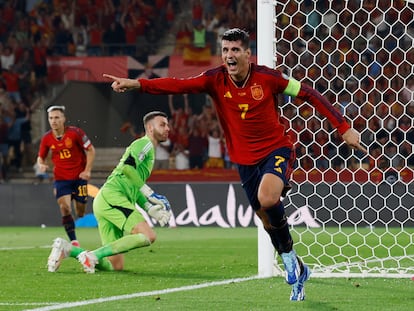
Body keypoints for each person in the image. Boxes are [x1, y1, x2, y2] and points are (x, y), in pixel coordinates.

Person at [102, 28, 367, 301]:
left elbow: (309, 93)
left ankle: (287, 257)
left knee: (268, 197)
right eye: (225, 50)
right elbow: (176, 84)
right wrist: (137, 83)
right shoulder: (214, 80)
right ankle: (298, 267)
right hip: (244, 160)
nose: (229, 55)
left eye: (235, 50)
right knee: (265, 218)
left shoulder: (267, 78)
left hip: (276, 148)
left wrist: (343, 126)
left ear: (247, 54)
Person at [46, 111, 172, 274]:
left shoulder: (148, 150)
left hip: (106, 200)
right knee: (149, 236)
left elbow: (134, 183)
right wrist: (151, 194)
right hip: (114, 197)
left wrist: (148, 207)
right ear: (149, 127)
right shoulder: (145, 144)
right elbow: (127, 168)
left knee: (115, 265)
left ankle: (68, 249)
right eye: (162, 124)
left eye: (167, 125)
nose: (167, 128)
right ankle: (92, 255)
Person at [38, 105, 95, 250]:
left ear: (64, 119)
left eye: (57, 117)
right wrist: (41, 165)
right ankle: (74, 241)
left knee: (80, 211)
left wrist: (87, 170)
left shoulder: (76, 133)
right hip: (61, 179)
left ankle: (78, 201)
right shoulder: (46, 138)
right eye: (51, 118)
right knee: (64, 208)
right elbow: (41, 157)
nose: (54, 121)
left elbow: (90, 150)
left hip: (80, 178)